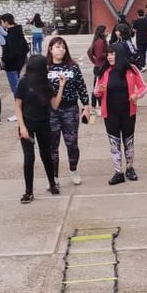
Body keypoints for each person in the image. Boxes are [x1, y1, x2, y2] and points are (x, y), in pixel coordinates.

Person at [93, 43, 147, 186]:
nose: (110, 57)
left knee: (128, 141)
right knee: (114, 142)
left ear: (120, 55)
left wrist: (136, 95)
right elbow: (96, 91)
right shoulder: (104, 71)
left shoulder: (131, 69)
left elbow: (143, 87)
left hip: (128, 111)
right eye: (108, 54)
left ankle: (129, 168)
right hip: (110, 113)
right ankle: (118, 172)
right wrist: (100, 89)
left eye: (112, 54)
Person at [15, 55, 64, 202]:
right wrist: (22, 126)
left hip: (44, 123)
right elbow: (17, 106)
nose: (48, 68)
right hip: (27, 124)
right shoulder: (23, 83)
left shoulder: (46, 84)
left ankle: (52, 183)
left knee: (46, 155)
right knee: (29, 158)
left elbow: (54, 105)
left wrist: (61, 86)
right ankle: (28, 191)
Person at [46, 37, 90, 186]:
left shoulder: (72, 67)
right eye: (58, 47)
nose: (61, 50)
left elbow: (81, 87)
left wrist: (86, 105)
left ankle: (73, 170)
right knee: (52, 145)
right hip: (51, 111)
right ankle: (54, 176)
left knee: (72, 143)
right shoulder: (45, 68)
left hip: (70, 109)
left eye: (63, 47)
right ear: (50, 49)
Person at [1, 14, 28, 121]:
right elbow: (25, 48)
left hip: (12, 66)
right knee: (18, 89)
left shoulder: (11, 35)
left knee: (16, 90)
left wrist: (4, 58)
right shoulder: (18, 32)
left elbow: (11, 53)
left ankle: (19, 112)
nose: (2, 24)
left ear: (7, 22)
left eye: (2, 22)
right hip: (19, 65)